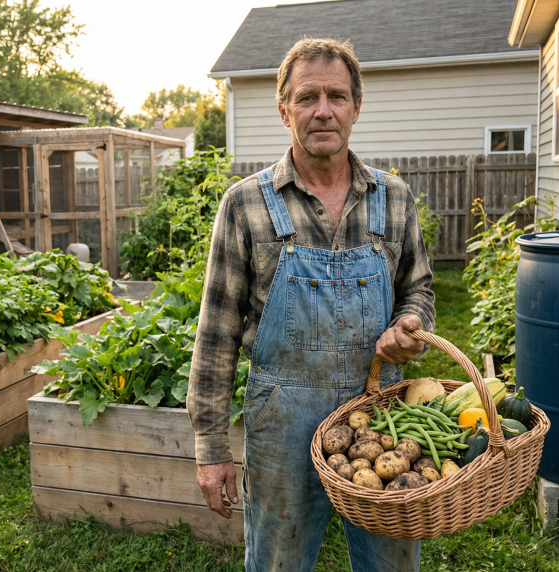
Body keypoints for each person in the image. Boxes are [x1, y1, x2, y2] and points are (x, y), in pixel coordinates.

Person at [186, 38, 436, 571]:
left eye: (337, 96)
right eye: (307, 97)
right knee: (278, 561)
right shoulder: (246, 205)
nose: (323, 110)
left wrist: (411, 321)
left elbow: (418, 288)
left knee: (391, 562)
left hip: (383, 420)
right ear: (284, 110)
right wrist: (211, 447)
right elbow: (216, 333)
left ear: (356, 107)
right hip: (283, 422)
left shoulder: (394, 199)